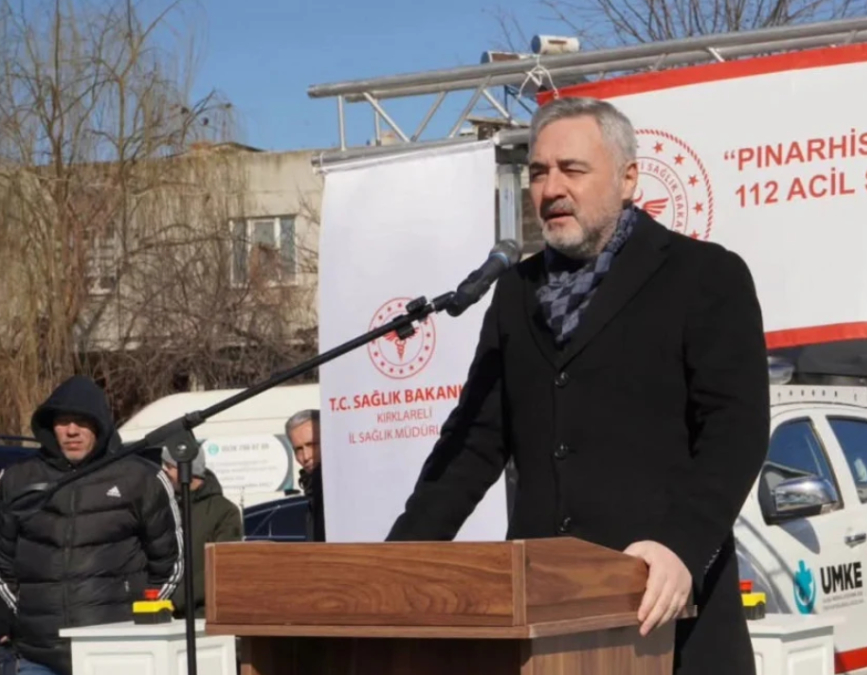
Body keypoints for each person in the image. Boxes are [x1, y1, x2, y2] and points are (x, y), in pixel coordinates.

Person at [385, 96, 770, 675]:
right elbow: (472, 445)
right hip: (545, 621)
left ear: (628, 179)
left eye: (573, 169)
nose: (552, 189)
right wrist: (394, 567)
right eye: (539, 172)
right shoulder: (514, 292)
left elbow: (735, 432)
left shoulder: (704, 276)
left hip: (667, 617)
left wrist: (680, 546)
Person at [0, 376, 183, 675]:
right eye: (63, 422)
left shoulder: (141, 479)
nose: (72, 431)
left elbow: (170, 564)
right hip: (38, 656)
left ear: (99, 424)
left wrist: (138, 618)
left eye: (82, 421)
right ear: (50, 426)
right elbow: (2, 563)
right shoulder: (15, 480)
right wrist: (20, 615)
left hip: (115, 652)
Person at [160, 448, 243, 618]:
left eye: (168, 465)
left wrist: (175, 601)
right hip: (161, 611)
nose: (163, 471)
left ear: (186, 469)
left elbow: (221, 567)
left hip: (201, 615)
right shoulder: (164, 506)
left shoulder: (225, 511)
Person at [285, 410, 324, 542]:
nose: (306, 456)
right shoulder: (313, 490)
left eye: (312, 445)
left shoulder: (340, 488)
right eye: (299, 449)